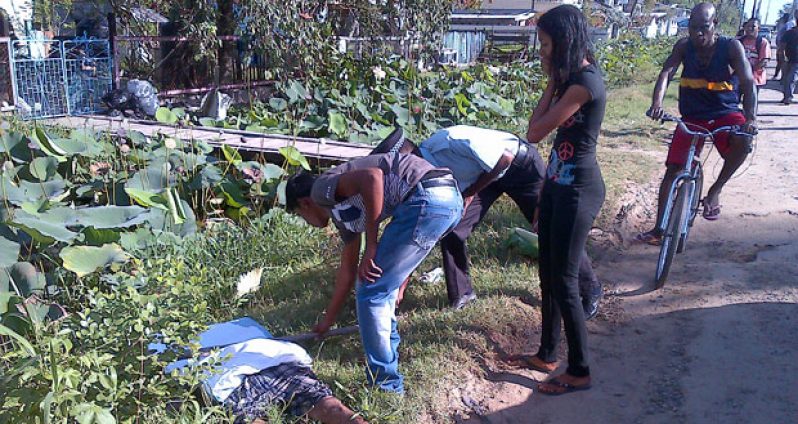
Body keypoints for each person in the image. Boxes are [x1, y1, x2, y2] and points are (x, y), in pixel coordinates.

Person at [284, 152, 462, 393]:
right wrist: (327, 322)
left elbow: (372, 177)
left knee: (372, 291)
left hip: (425, 197)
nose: (305, 221)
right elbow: (348, 274)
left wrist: (371, 245)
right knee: (375, 287)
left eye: (299, 215)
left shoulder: (320, 188)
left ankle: (385, 385)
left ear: (304, 203)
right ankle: (388, 366)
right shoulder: (343, 216)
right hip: (447, 199)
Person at [507, 5, 606, 395]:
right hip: (558, 186)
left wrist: (552, 81)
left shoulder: (584, 83)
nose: (541, 52)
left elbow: (534, 132)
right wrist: (544, 191)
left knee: (565, 281)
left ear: (563, 41)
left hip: (579, 192)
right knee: (547, 274)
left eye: (546, 44)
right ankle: (547, 352)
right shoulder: (569, 79)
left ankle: (579, 369)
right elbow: (555, 142)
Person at [410, 125, 603, 319]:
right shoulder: (427, 165)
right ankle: (463, 295)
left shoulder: (450, 140)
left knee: (549, 228)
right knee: (455, 228)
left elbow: (505, 159)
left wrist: (471, 192)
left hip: (521, 166)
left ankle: (590, 288)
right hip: (487, 175)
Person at [637, 3, 757, 245]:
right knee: (673, 170)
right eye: (693, 28)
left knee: (743, 142)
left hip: (725, 113)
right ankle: (660, 228)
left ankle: (714, 191)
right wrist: (656, 103)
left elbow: (747, 82)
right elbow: (666, 73)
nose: (698, 34)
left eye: (703, 28)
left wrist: (751, 117)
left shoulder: (731, 47)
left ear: (715, 26)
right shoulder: (684, 47)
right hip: (692, 116)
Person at [737, 18, 770, 100]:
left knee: (750, 103)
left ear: (758, 29)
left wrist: (749, 71)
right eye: (748, 26)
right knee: (734, 101)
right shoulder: (739, 41)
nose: (749, 28)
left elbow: (764, 61)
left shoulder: (763, 42)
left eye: (753, 26)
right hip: (739, 78)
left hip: (755, 79)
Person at [779, 11, 798, 105]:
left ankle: (788, 97)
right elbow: (782, 46)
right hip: (789, 59)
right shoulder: (789, 33)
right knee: (786, 79)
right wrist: (782, 58)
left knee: (791, 78)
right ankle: (786, 96)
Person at [774, 13, 796, 80]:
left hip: (786, 46)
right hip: (782, 45)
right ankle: (781, 77)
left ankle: (783, 78)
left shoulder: (790, 23)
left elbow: (788, 37)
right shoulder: (787, 24)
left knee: (783, 62)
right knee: (781, 62)